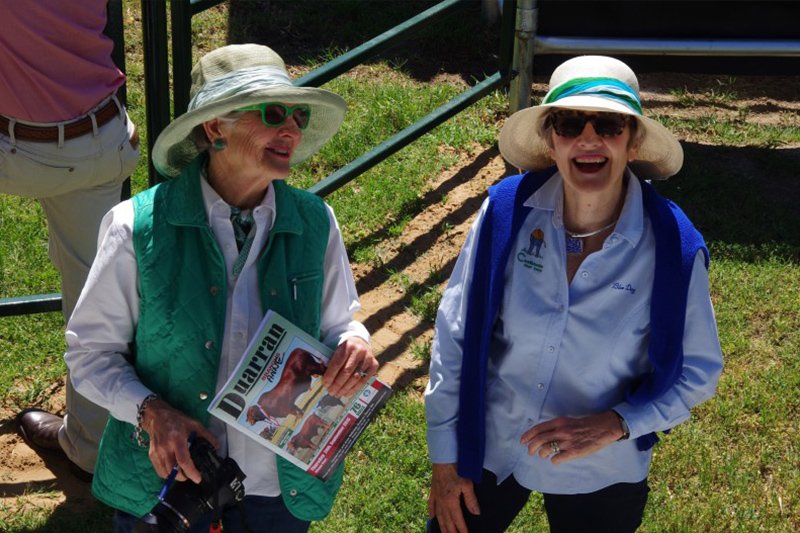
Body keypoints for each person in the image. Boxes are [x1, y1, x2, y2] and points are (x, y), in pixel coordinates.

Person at [64, 43, 378, 532]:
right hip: (168, 488)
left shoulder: (316, 221)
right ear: (215, 127)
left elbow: (341, 320)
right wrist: (152, 414)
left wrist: (354, 343)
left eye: (297, 115)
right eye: (273, 114)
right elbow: (89, 355)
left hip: (278, 492)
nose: (292, 129)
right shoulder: (137, 227)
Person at [424, 55, 723, 533]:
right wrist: (445, 455)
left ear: (634, 141)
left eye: (608, 124)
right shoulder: (507, 212)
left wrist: (618, 424)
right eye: (568, 123)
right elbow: (454, 333)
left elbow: (700, 370)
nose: (588, 138)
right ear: (550, 140)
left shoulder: (673, 245)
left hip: (603, 465)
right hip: (492, 443)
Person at [2, 0, 140, 481]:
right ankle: (91, 447)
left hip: (18, 142)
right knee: (96, 307)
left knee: (98, 303)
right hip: (94, 140)